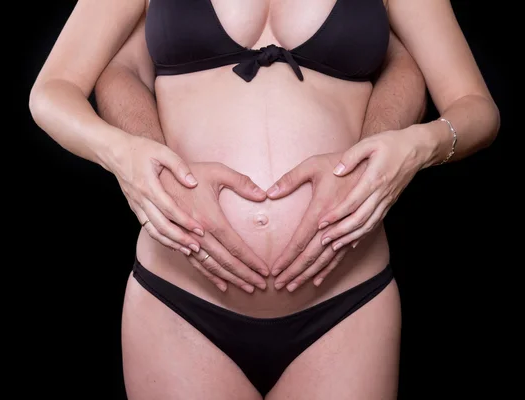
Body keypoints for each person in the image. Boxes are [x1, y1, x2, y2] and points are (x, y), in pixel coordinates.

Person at [29, 0, 500, 398]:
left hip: (346, 304)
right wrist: (124, 155)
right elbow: (51, 91)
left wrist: (417, 147)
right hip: (180, 302)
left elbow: (476, 108)